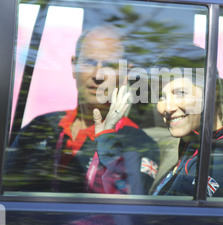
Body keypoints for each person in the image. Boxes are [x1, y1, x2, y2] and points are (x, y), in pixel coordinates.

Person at [4, 25, 159, 194]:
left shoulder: (138, 143)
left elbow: (124, 213)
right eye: (89, 62)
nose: (98, 75)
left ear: (125, 74)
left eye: (109, 65)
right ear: (73, 66)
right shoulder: (40, 126)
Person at [150, 45, 223, 199]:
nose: (167, 107)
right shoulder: (196, 143)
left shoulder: (220, 164)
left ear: (211, 92)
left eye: (181, 93)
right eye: (162, 96)